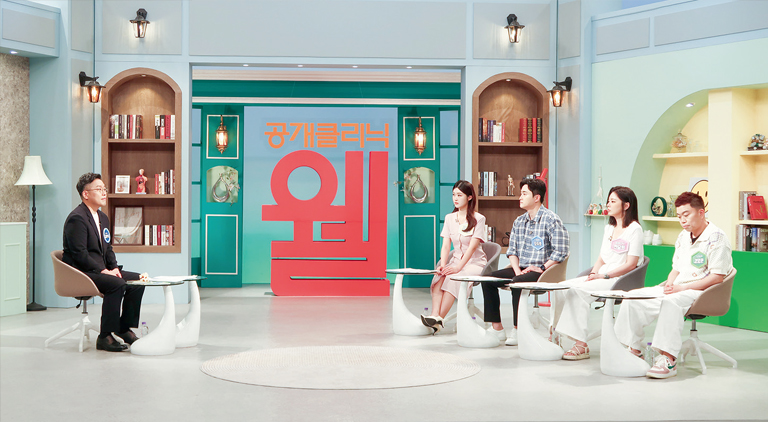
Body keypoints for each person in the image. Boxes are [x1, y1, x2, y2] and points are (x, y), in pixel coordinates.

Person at [614, 191, 733, 379]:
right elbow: (675, 269)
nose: (682, 220)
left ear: (701, 212)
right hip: (678, 287)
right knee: (633, 297)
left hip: (702, 291)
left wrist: (681, 288)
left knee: (671, 302)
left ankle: (668, 359)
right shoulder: (683, 236)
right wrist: (670, 284)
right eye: (679, 216)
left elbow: (717, 277)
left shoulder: (717, 238)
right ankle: (633, 349)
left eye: (686, 214)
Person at [552, 186, 643, 360]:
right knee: (561, 287)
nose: (608, 204)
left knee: (577, 292)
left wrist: (605, 276)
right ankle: (556, 334)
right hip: (602, 275)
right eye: (608, 201)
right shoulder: (609, 228)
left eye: (613, 201)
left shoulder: (634, 229)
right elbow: (602, 257)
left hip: (619, 279)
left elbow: (631, 264)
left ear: (626, 205)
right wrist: (593, 274)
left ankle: (581, 344)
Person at [62, 173, 146, 352]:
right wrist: (102, 270)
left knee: (138, 281)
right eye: (99, 189)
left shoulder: (103, 218)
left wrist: (113, 268)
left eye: (104, 189)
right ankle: (105, 336)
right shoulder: (77, 218)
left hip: (99, 270)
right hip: (82, 272)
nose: (104, 193)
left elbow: (108, 249)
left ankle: (123, 328)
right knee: (116, 284)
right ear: (86, 194)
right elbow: (79, 254)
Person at [482, 178, 569, 346]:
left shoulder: (552, 219)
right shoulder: (519, 221)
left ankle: (518, 328)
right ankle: (497, 328)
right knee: (488, 279)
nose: (520, 197)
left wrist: (541, 267)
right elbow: (512, 252)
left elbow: (561, 251)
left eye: (524, 193)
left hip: (544, 271)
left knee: (517, 282)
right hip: (521, 269)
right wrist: (517, 270)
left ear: (536, 197)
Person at [421, 180, 487, 334]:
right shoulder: (450, 218)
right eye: (453, 195)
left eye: (459, 195)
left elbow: (472, 247)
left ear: (469, 197)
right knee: (439, 276)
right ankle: (434, 316)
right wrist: (443, 265)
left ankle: (439, 319)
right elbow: (446, 246)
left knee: (453, 278)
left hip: (474, 263)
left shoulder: (479, 218)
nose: (455, 198)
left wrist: (458, 268)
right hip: (455, 260)